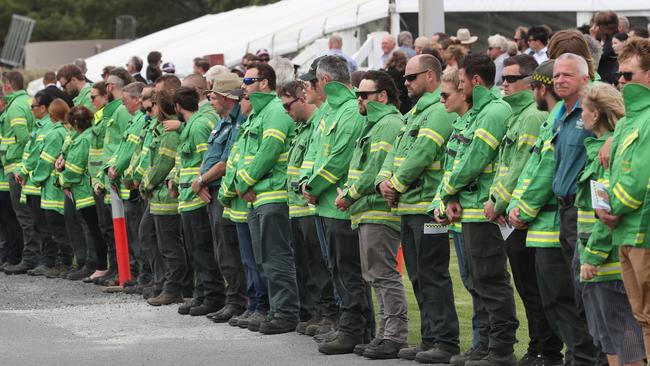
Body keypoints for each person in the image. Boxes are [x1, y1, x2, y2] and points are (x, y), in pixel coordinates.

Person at [376, 54, 460, 363]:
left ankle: (446, 341)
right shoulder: (413, 115)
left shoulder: (438, 112)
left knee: (433, 275)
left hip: (427, 209)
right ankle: (429, 339)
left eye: (412, 77)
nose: (406, 82)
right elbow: (393, 154)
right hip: (409, 208)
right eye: (406, 78)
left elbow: (422, 154)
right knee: (418, 277)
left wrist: (394, 184)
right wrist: (383, 181)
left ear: (430, 77)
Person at [437, 54, 519, 366]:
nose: (456, 86)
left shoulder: (494, 111)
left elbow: (475, 159)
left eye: (459, 81)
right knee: (478, 282)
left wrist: (447, 191)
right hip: (469, 209)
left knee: (491, 280)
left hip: (485, 211)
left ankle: (501, 349)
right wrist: (448, 196)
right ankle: (485, 344)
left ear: (474, 81)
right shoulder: (477, 113)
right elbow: (456, 160)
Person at [484, 54, 563, 365]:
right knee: (529, 289)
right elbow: (508, 167)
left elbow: (523, 170)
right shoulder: (520, 115)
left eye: (511, 79)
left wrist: (502, 203)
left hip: (523, 217)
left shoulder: (531, 116)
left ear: (533, 83)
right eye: (502, 78)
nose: (504, 84)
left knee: (535, 291)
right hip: (513, 213)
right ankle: (539, 348)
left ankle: (545, 350)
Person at [298, 55, 369, 354]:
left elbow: (338, 160)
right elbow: (313, 153)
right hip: (323, 205)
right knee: (336, 269)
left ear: (325, 81)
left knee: (348, 271)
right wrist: (305, 182)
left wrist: (312, 186)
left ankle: (356, 330)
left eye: (312, 80)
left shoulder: (351, 111)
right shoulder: (327, 111)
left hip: (340, 206)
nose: (309, 86)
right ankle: (347, 325)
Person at [333, 70, 405, 359]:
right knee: (374, 276)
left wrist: (349, 194)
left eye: (364, 95)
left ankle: (394, 336)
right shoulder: (373, 124)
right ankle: (383, 334)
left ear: (382, 96)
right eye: (357, 95)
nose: (359, 100)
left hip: (379, 210)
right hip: (366, 210)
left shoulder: (387, 123)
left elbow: (375, 169)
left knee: (384, 275)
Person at [577, 82, 646, 366]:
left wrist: (592, 256)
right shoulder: (599, 147)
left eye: (583, 110)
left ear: (596, 115)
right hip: (596, 259)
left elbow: (607, 213)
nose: (580, 115)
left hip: (606, 263)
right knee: (609, 339)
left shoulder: (604, 154)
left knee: (626, 343)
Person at [230, 61, 300, 334]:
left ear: (265, 84)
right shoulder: (256, 115)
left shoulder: (273, 112)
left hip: (273, 195)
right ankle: (273, 309)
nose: (243, 87)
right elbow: (242, 157)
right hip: (256, 196)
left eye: (248, 82)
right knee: (262, 259)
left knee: (276, 257)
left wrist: (244, 181)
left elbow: (269, 152)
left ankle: (285, 312)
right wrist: (241, 184)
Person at [599, 36, 650, 359]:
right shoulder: (629, 120)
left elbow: (637, 179)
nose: (620, 80)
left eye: (628, 75)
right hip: (625, 230)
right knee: (642, 317)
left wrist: (611, 207)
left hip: (641, 230)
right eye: (619, 74)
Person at [279, 80, 336, 336]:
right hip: (296, 207)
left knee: (320, 267)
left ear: (302, 99)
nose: (285, 111)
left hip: (311, 208)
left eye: (288, 105)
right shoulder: (301, 129)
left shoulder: (316, 127)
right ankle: (315, 313)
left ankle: (328, 314)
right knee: (306, 267)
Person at [195, 73, 248, 322]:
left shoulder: (239, 121)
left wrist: (201, 180)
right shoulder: (222, 121)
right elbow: (210, 157)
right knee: (221, 249)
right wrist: (201, 179)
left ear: (227, 97)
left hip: (224, 192)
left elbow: (226, 163)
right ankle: (233, 299)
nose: (210, 100)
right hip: (212, 191)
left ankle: (238, 301)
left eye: (213, 96)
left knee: (229, 250)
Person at [170, 86, 225, 316]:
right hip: (187, 197)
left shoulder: (199, 126)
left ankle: (213, 295)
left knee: (202, 251)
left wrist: (201, 183)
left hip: (197, 197)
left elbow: (207, 160)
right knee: (195, 251)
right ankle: (202, 293)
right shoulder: (191, 126)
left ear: (177, 107)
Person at [219, 94, 270, 331]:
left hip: (249, 201)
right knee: (248, 261)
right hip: (238, 203)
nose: (242, 100)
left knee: (257, 261)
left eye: (246, 96)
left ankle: (261, 306)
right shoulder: (245, 127)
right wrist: (227, 192)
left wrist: (238, 186)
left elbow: (253, 164)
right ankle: (253, 305)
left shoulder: (256, 123)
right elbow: (233, 164)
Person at [141, 89, 187, 306]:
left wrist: (146, 184)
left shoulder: (169, 135)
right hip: (158, 198)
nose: (150, 110)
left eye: (154, 106)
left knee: (169, 246)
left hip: (166, 200)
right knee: (152, 239)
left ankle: (173, 288)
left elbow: (162, 165)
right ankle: (163, 284)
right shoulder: (163, 131)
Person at [18, 94, 72, 278]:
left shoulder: (54, 132)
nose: (32, 110)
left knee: (53, 228)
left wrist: (33, 176)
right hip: (50, 188)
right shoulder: (55, 129)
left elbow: (45, 160)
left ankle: (58, 263)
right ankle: (55, 262)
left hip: (50, 187)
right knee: (51, 227)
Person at [57, 106, 112, 283]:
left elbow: (74, 169)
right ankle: (98, 266)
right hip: (88, 191)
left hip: (84, 193)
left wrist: (60, 180)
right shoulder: (86, 136)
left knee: (94, 231)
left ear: (75, 122)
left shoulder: (82, 140)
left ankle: (99, 267)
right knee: (96, 230)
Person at [1, 70, 39, 275]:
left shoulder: (15, 107)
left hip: (17, 167)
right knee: (29, 216)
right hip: (26, 166)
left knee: (22, 217)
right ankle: (33, 256)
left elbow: (24, 139)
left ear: (8, 86)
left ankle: (29, 257)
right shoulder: (28, 101)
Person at [0, 88, 24, 270]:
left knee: (11, 219)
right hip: (6, 174)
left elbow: (19, 141)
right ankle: (8, 254)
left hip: (8, 174)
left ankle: (13, 256)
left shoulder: (11, 113)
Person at [593, 11, 620, 84]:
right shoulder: (608, 38)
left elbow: (595, 57)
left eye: (598, 26)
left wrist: (592, 37)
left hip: (608, 82)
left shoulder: (615, 40)